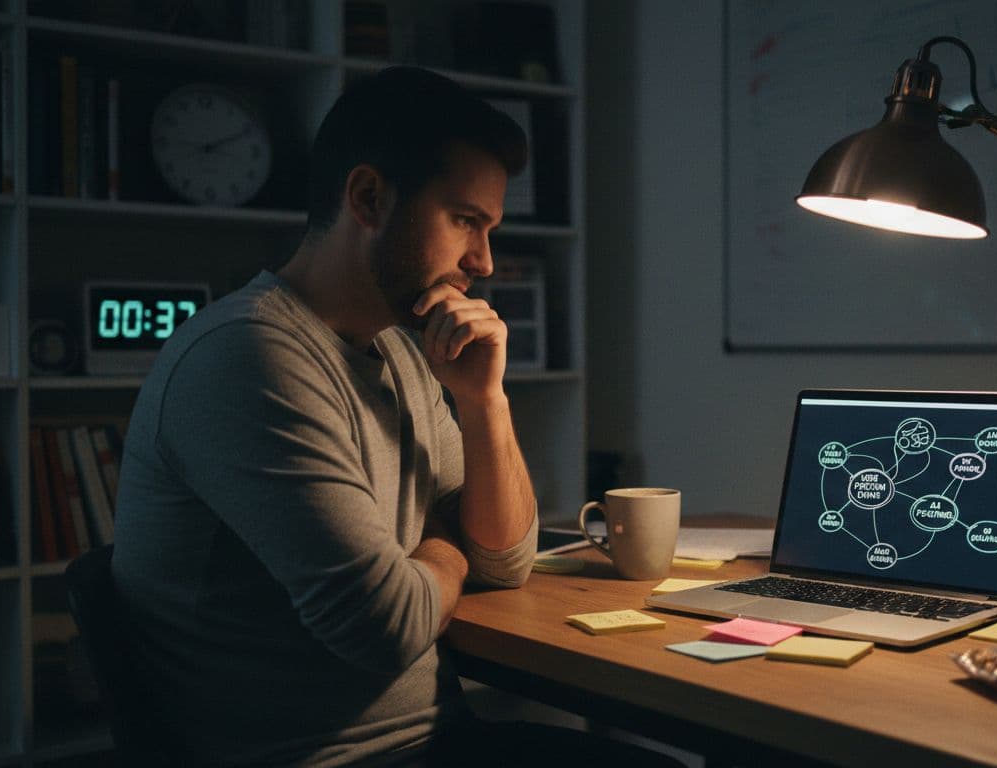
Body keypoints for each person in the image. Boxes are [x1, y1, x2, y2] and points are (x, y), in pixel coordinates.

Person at [111, 67, 683, 767]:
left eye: (491, 229)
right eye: (466, 221)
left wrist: (483, 402)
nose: (486, 262)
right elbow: (386, 625)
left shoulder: (401, 350)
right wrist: (444, 544)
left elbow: (504, 562)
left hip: (434, 741)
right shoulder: (250, 357)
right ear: (370, 197)